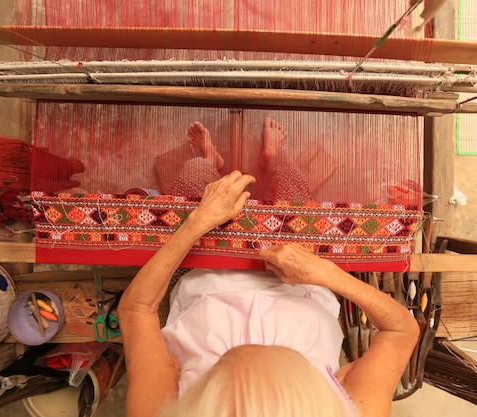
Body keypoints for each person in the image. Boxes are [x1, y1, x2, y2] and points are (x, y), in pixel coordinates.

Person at [118, 117, 419, 417]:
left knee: (194, 176)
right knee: (293, 198)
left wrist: (198, 222)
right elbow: (401, 330)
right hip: (303, 284)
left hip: (205, 273)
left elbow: (136, 310)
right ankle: (273, 160)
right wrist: (321, 273)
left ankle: (209, 161)